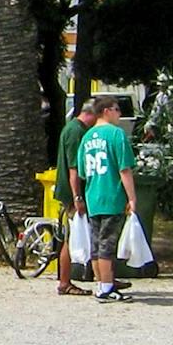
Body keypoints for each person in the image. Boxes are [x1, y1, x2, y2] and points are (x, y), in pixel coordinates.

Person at [73, 95, 138, 304]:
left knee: (96, 244)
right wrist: (132, 198)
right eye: (117, 109)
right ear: (107, 111)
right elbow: (124, 169)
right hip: (112, 196)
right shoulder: (116, 135)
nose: (120, 114)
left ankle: (100, 283)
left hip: (93, 196)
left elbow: (82, 171)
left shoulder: (87, 137)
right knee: (107, 245)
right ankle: (107, 287)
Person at [54, 98, 96, 297]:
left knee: (73, 236)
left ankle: (104, 276)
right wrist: (77, 196)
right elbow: (74, 168)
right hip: (72, 193)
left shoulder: (72, 128)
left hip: (71, 192)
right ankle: (64, 282)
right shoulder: (76, 132)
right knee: (71, 237)